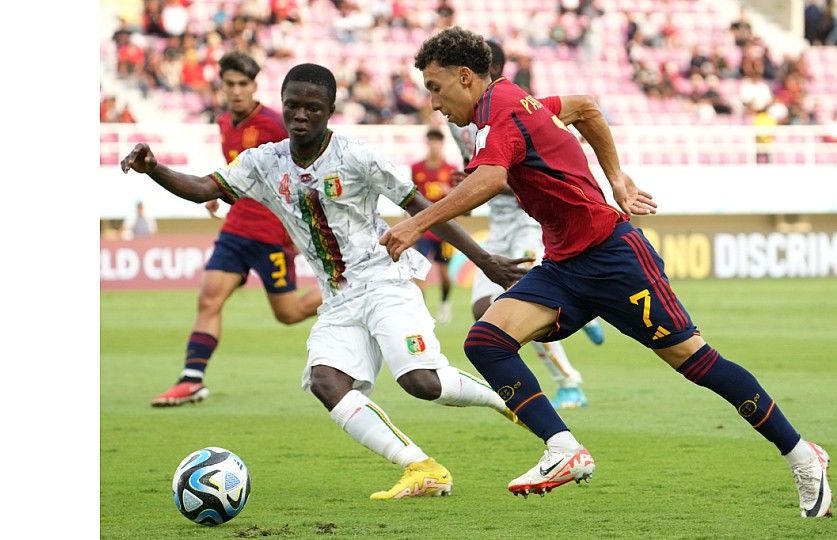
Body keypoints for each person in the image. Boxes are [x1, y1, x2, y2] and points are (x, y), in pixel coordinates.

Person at [380, 26, 833, 518]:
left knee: (697, 363)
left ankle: (802, 455)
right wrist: (614, 178)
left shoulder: (503, 115)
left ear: (465, 77)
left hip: (614, 258)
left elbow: (491, 177)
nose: (434, 103)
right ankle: (562, 448)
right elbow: (587, 107)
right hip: (563, 265)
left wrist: (414, 224)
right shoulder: (513, 100)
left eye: (435, 87)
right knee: (486, 340)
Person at [122, 62, 532, 499]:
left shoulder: (357, 156)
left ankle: (500, 398)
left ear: (331, 110)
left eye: (312, 108)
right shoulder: (265, 162)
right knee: (326, 381)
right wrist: (155, 169)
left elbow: (421, 207)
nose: (301, 115)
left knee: (422, 383)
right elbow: (205, 187)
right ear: (281, 105)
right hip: (337, 297)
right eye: (292, 106)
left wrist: (485, 260)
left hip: (384, 281)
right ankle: (421, 467)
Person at [150, 52, 324, 407]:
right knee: (209, 297)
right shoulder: (223, 122)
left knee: (288, 314)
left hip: (271, 232)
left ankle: (352, 283)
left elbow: (303, 171)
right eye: (230, 84)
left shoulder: (277, 124)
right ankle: (191, 379)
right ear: (222, 86)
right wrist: (219, 192)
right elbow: (239, 167)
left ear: (255, 86)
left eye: (243, 84)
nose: (236, 91)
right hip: (236, 227)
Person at [447, 39, 602, 410]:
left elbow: (533, 173)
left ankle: (568, 381)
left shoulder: (520, 109)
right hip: (498, 224)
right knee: (483, 309)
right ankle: (585, 304)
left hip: (529, 220)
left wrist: (485, 185)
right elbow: (478, 169)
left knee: (523, 302)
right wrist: (464, 182)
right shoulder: (459, 124)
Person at [410, 127, 458, 323]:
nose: (434, 146)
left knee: (444, 274)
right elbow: (411, 197)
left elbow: (459, 200)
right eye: (431, 141)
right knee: (419, 273)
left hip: (445, 230)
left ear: (442, 144)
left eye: (437, 142)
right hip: (422, 228)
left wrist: (450, 191)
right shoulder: (416, 169)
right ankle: (421, 312)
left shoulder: (451, 170)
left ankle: (445, 304)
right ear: (427, 143)